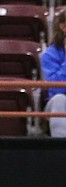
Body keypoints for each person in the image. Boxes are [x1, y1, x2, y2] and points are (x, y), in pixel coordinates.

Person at [42, 10, 66, 138]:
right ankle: (62, 149)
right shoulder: (50, 55)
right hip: (58, 103)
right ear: (63, 26)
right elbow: (56, 89)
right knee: (59, 99)